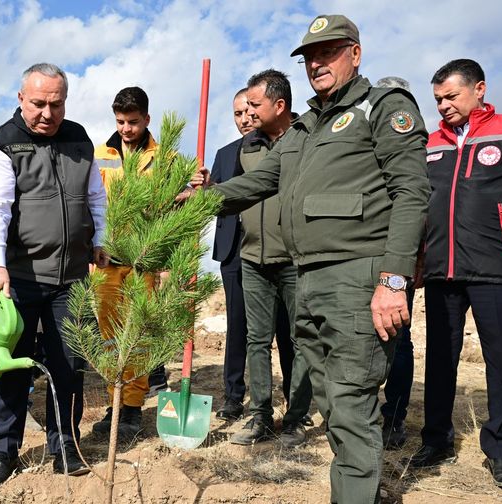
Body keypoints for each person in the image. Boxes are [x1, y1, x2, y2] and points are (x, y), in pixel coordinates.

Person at [184, 15, 429, 503]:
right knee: (329, 398)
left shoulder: (381, 107)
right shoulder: (304, 127)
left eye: (329, 52)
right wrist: (196, 201)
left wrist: (395, 280)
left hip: (359, 276)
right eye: (310, 56)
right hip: (309, 277)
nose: (317, 62)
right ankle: (363, 485)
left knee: (352, 397)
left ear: (355, 54)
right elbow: (257, 182)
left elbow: (411, 193)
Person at [408, 59, 502, 490]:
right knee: (440, 361)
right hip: (442, 270)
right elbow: (417, 205)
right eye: (438, 100)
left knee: (500, 361)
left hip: (498, 269)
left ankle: (501, 449)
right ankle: (436, 440)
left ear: (479, 88)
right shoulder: (430, 143)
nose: (443, 106)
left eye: (451, 96)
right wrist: (418, 260)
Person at [0, 62, 107, 488]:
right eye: (38, 104)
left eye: (56, 104)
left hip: (70, 277)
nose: (47, 113)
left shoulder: (78, 139)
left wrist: (101, 239)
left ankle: (65, 444)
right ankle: (3, 451)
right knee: (13, 366)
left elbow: (95, 196)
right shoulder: (2, 143)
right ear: (20, 98)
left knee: (69, 366)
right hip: (18, 276)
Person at [222, 70, 313, 450]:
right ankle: (260, 413)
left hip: (294, 257)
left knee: (299, 338)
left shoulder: (308, 140)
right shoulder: (248, 147)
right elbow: (245, 192)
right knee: (257, 340)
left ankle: (295, 417)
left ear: (279, 106)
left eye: (255, 105)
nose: (249, 112)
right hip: (252, 257)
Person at [91, 86, 159, 439]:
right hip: (106, 260)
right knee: (108, 337)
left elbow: (169, 208)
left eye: (133, 122)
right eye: (120, 122)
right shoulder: (100, 154)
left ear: (147, 119)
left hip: (142, 260)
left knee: (137, 335)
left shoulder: (163, 159)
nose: (126, 129)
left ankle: (131, 409)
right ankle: (114, 401)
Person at [374, 76, 417, 451]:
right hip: (361, 255)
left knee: (398, 340)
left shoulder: (416, 145)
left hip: (398, 262)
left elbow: (415, 201)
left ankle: (394, 417)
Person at [209, 88, 253, 421]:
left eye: (250, 110)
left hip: (269, 247)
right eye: (238, 113)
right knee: (236, 325)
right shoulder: (224, 154)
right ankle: (233, 396)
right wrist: (205, 188)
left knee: (282, 327)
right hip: (232, 251)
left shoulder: (279, 148)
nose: (245, 118)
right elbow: (213, 202)